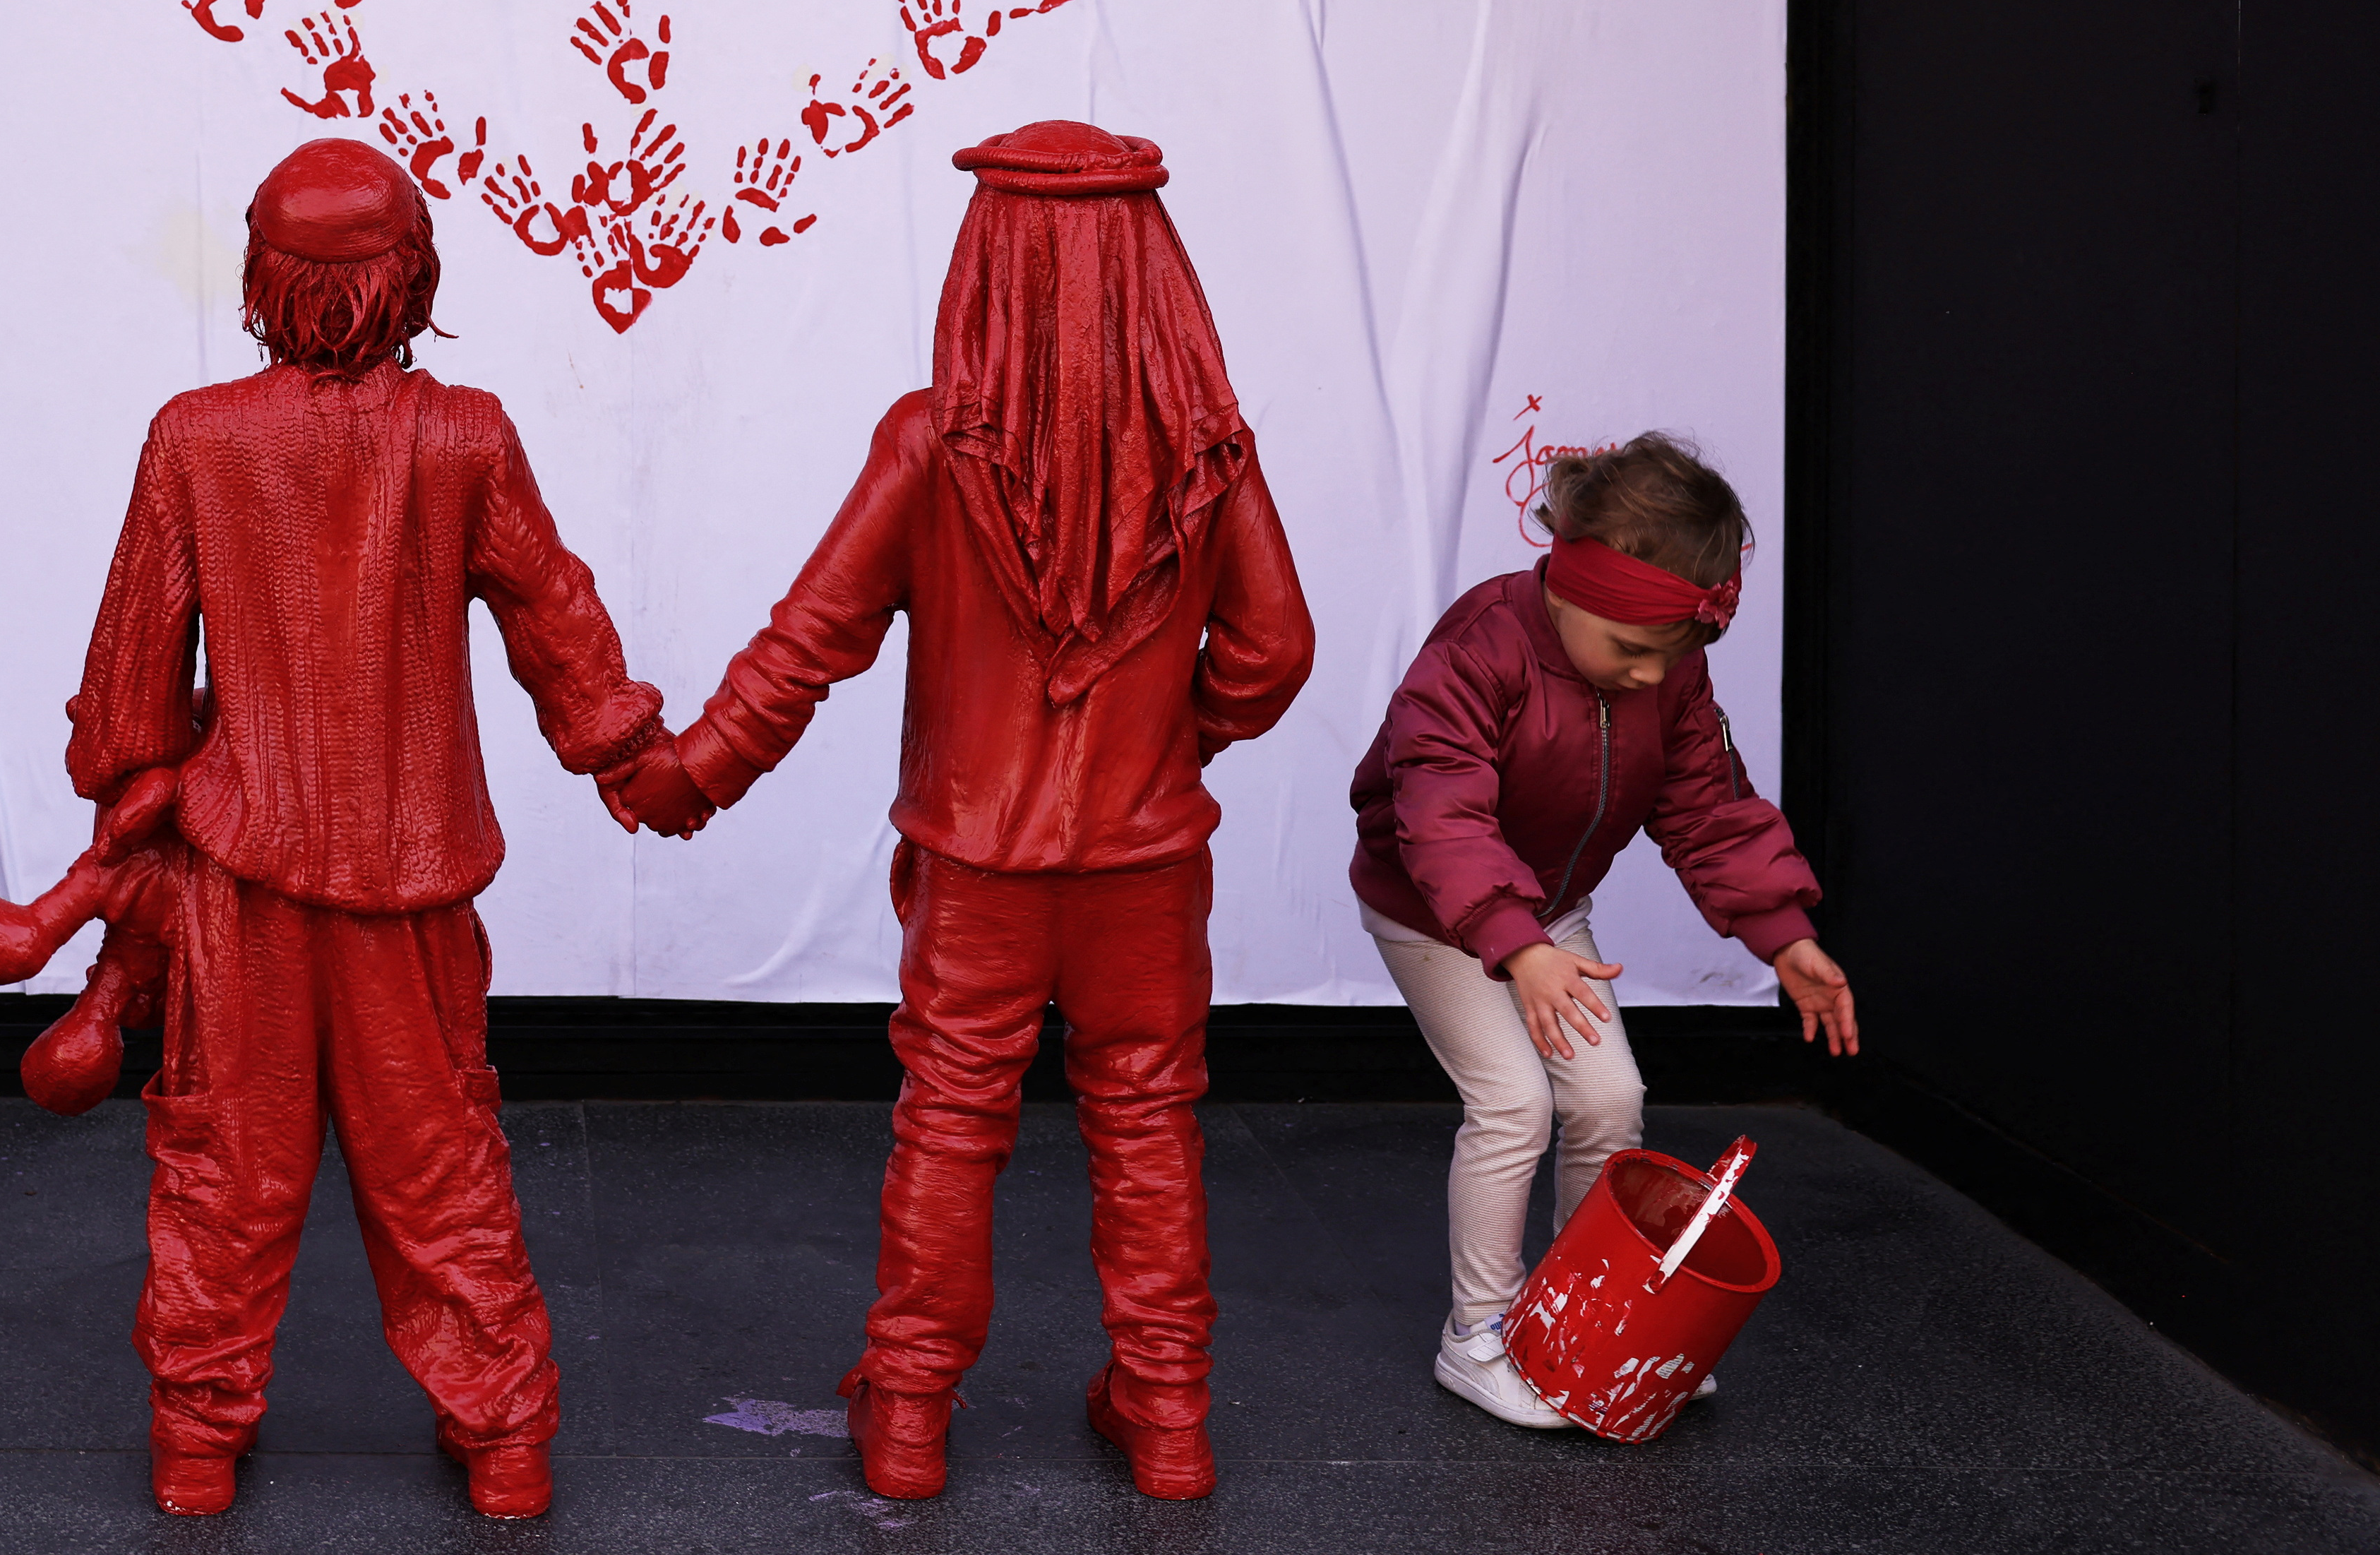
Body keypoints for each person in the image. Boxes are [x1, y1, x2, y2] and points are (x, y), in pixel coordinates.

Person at [61, 136, 712, 1519]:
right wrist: (629, 760)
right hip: (413, 894)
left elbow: (124, 698)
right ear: (412, 274)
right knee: (442, 1167)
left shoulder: (196, 439)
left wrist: (138, 779)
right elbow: (557, 618)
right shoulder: (465, 436)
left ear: (262, 279)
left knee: (225, 1170)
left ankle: (195, 1441)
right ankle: (504, 1441)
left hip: (241, 888)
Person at [665, 119, 1315, 1503]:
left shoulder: (928, 444)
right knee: (1145, 1123)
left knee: (951, 1120)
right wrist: (1165, 742)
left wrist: (690, 776)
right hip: (1144, 866)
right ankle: (1166, 1416)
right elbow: (1273, 653)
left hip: (974, 869)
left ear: (987, 260)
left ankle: (905, 1416)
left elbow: (807, 642)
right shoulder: (1209, 452)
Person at [1349, 430, 1860, 1429]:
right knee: (1514, 1106)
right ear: (1568, 584)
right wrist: (1521, 944)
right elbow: (1440, 811)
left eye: (1667, 658)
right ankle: (1481, 1331)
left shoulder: (1664, 673)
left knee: (1612, 1098)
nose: (1645, 675)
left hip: (1545, 908)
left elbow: (1708, 806)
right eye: (1629, 649)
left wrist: (1783, 933)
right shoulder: (1481, 644)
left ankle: (1590, 1312)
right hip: (1431, 907)